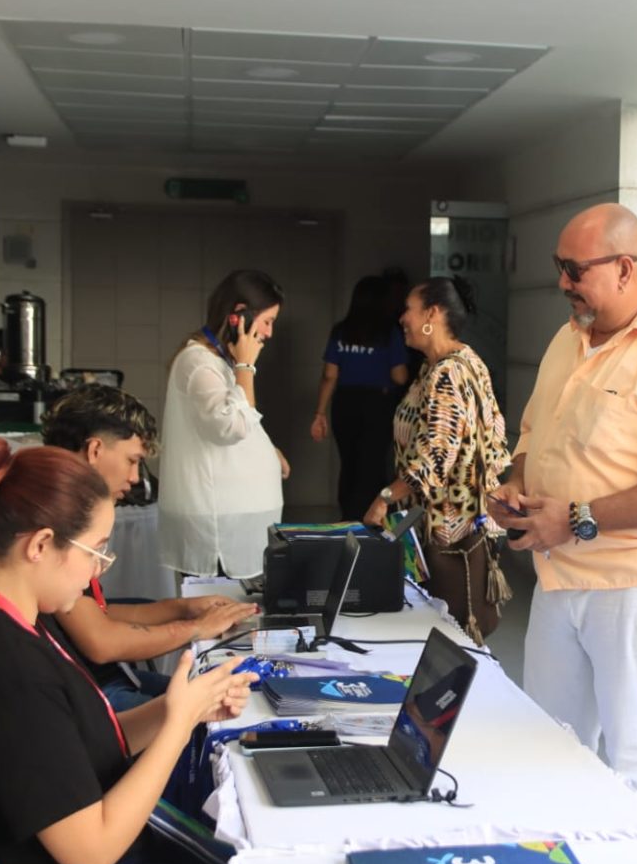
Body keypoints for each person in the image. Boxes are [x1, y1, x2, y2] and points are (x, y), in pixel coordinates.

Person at [0, 438, 255, 864]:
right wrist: (176, 727)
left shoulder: (7, 615)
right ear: (41, 545)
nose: (97, 572)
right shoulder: (1, 666)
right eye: (96, 552)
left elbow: (96, 739)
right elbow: (92, 852)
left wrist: (185, 709)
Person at [488, 203, 637, 809]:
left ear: (625, 268)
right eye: (558, 267)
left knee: (633, 763)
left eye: (573, 269)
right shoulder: (568, 340)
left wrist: (573, 519)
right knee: (547, 742)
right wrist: (515, 486)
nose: (562, 282)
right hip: (561, 575)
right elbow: (533, 436)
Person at [40, 385, 257, 710]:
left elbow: (94, 614)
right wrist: (196, 628)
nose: (133, 477)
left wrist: (185, 608)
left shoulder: (64, 503)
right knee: (222, 710)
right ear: (95, 450)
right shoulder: (53, 517)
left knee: (228, 693)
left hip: (99, 677)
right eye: (131, 461)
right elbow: (100, 641)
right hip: (82, 695)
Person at [363, 276, 509, 642]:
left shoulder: (447, 373)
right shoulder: (460, 362)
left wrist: (384, 498)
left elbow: (435, 459)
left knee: (447, 642)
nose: (402, 319)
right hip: (455, 523)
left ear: (432, 313)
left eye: (408, 311)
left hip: (449, 532)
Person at [159, 269, 289, 578]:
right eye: (268, 321)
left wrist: (268, 449)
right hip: (218, 533)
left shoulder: (218, 361)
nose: (270, 333)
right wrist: (246, 366)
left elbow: (239, 413)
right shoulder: (198, 362)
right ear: (239, 316)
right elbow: (230, 426)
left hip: (233, 526)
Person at [310, 275, 410, 520]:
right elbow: (400, 376)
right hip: (377, 404)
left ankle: (348, 518)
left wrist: (319, 413)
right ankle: (370, 520)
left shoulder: (341, 332)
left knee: (349, 463)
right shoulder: (390, 333)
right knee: (373, 464)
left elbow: (329, 375)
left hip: (345, 403)